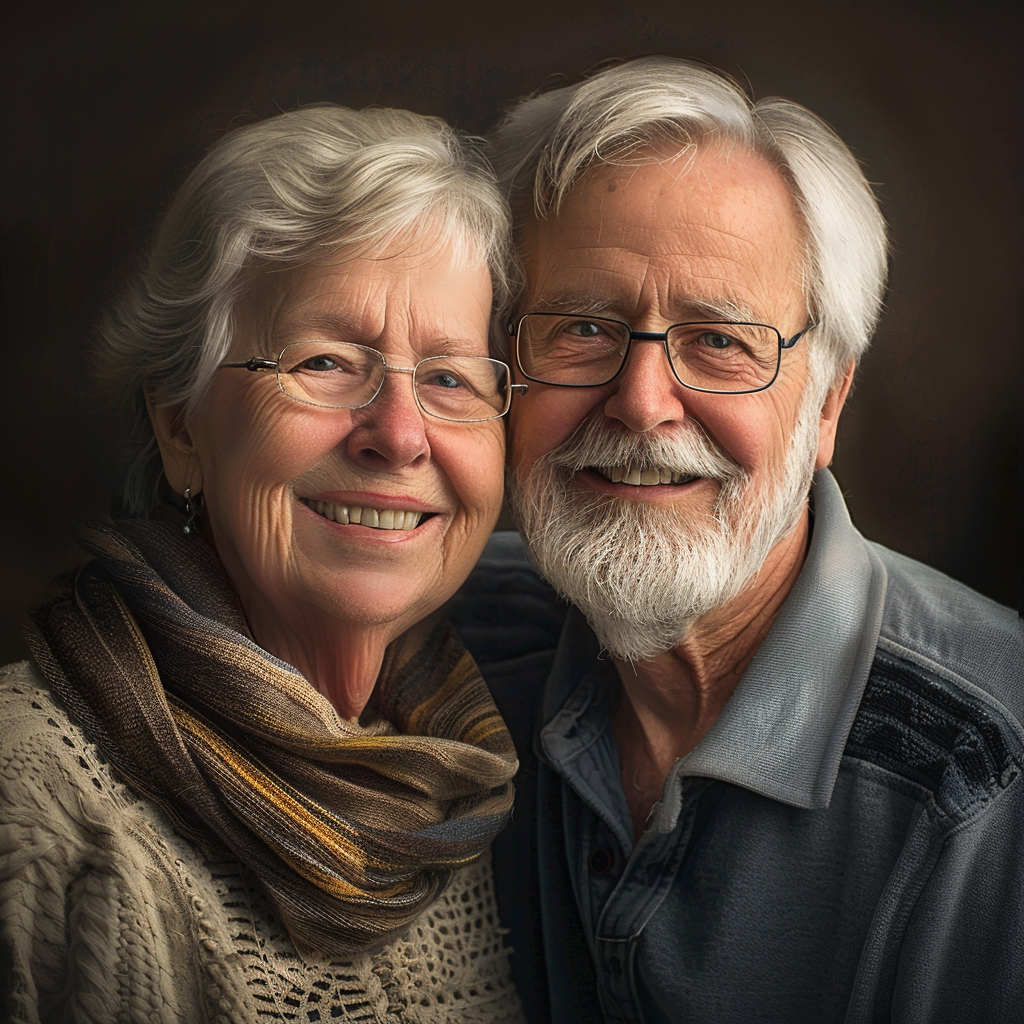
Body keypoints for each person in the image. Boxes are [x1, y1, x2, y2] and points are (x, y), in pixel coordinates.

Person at [449, 57, 1024, 1023]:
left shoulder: (988, 783)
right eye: (582, 327)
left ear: (829, 400)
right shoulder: (447, 645)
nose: (639, 404)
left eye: (721, 340)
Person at [0, 103, 528, 1022]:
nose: (400, 436)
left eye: (449, 377)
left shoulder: (483, 784)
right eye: (325, 362)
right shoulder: (37, 811)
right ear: (180, 429)